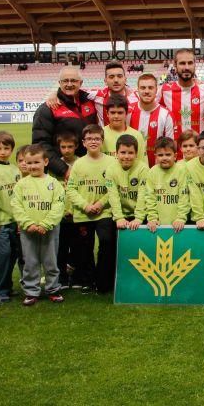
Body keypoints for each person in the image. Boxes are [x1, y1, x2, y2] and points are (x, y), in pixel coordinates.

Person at [11, 144, 66, 305]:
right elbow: (16, 205)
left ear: (46, 162)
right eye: (29, 163)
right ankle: (31, 291)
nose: (32, 166)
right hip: (28, 230)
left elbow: (58, 205)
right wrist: (28, 224)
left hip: (49, 230)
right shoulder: (21, 184)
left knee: (51, 261)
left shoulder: (54, 183)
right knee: (30, 261)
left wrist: (46, 224)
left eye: (36, 162)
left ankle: (53, 289)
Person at [65, 124, 114, 294]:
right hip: (83, 214)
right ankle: (88, 280)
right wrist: (86, 205)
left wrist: (100, 204)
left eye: (97, 138)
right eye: (89, 139)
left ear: (102, 141)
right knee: (84, 249)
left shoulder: (111, 162)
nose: (93, 141)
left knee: (107, 243)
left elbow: (114, 188)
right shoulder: (78, 164)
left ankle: (103, 280)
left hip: (104, 212)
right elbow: (70, 189)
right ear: (83, 142)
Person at [32, 66, 98, 181]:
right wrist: (64, 170)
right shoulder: (47, 108)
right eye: (65, 81)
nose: (69, 84)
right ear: (59, 83)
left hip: (91, 170)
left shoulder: (92, 101)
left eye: (73, 80)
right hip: (62, 175)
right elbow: (40, 144)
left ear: (81, 83)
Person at [0, 131, 22, 304]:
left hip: (15, 221)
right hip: (0, 222)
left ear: (11, 149)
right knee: (2, 255)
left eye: (6, 148)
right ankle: (0, 290)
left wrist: (20, 220)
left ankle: (7, 287)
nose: (2, 151)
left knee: (14, 255)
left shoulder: (15, 169)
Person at [158, 48, 204, 139]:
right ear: (175, 66)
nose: (187, 67)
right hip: (174, 150)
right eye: (182, 63)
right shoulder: (164, 91)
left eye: (190, 63)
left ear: (195, 65)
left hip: (199, 149)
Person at [142, 138, 191, 232]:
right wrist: (152, 218)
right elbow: (149, 198)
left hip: (179, 224)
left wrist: (180, 218)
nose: (164, 158)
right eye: (160, 155)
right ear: (156, 156)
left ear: (175, 156)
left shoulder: (182, 171)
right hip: (157, 224)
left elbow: (184, 198)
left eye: (168, 154)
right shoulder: (152, 172)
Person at [129, 74, 175, 167]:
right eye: (143, 88)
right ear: (137, 89)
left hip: (158, 169)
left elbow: (170, 146)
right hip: (133, 168)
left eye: (150, 88)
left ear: (156, 90)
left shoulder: (166, 115)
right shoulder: (128, 111)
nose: (146, 91)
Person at [107, 134, 150, 229]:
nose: (126, 156)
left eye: (130, 153)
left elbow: (143, 195)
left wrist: (139, 218)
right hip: (119, 214)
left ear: (136, 153)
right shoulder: (110, 170)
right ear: (116, 153)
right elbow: (113, 196)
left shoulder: (143, 169)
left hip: (141, 214)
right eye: (123, 152)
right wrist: (119, 218)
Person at [55, 133, 77, 289]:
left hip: (77, 214)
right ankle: (61, 278)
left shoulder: (81, 163)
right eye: (63, 147)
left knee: (77, 248)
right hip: (60, 216)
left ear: (76, 146)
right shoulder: (55, 166)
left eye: (70, 146)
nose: (67, 150)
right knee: (60, 248)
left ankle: (76, 277)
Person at [101, 94, 146, 163]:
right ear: (107, 113)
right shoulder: (100, 134)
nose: (116, 116)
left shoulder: (137, 136)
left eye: (120, 113)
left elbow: (143, 163)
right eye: (113, 112)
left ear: (126, 113)